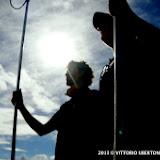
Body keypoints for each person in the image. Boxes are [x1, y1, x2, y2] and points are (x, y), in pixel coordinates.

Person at [93, 0, 160, 152]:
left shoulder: (142, 47)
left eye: (107, 22)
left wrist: (128, 16)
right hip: (113, 144)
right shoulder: (107, 68)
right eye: (98, 26)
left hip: (147, 139)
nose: (100, 27)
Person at [11, 60, 100, 160]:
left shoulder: (71, 106)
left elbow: (42, 130)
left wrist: (21, 107)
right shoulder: (92, 99)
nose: (66, 74)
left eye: (70, 71)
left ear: (79, 74)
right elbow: (41, 130)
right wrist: (21, 106)